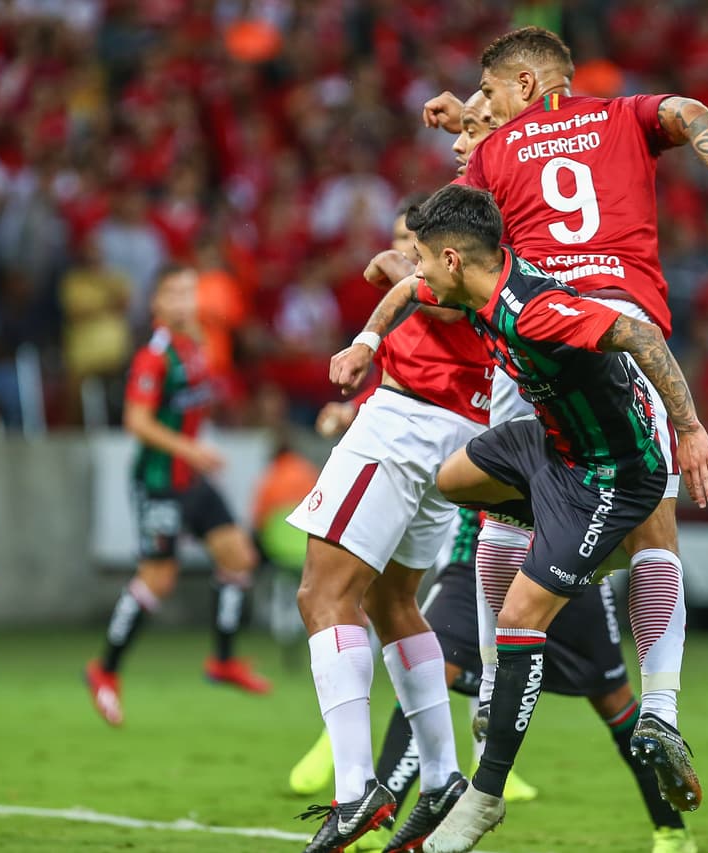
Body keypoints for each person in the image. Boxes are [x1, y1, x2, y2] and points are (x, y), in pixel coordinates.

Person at [419, 26, 708, 816]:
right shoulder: (626, 115)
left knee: (497, 507)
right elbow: (694, 114)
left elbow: (471, 230)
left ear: (521, 85)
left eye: (489, 90)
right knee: (655, 536)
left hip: (536, 335)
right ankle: (661, 707)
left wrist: (469, 132)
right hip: (621, 329)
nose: (482, 103)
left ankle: (491, 684)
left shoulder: (495, 149)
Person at [384, 184, 708, 852]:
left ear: (452, 258)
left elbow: (638, 333)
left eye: (419, 258)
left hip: (611, 471)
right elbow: (404, 288)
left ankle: (485, 795)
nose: (414, 270)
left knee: (520, 615)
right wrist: (368, 337)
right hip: (550, 443)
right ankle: (579, 549)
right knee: (453, 477)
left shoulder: (535, 311)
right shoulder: (470, 285)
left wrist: (690, 427)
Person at [285, 189, 494, 849]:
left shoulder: (441, 269)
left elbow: (404, 277)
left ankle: (356, 788)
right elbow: (397, 269)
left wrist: (373, 322)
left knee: (322, 592)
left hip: (405, 421)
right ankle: (440, 775)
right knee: (394, 600)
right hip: (461, 431)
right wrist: (394, 264)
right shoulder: (506, 252)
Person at [85, 265, 269, 728]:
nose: (186, 303)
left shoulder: (197, 346)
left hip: (192, 477)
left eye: (191, 293)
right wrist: (192, 448)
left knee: (239, 556)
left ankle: (222, 660)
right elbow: (137, 422)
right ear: (157, 304)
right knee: (158, 580)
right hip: (159, 481)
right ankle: (104, 670)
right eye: (175, 294)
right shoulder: (155, 355)